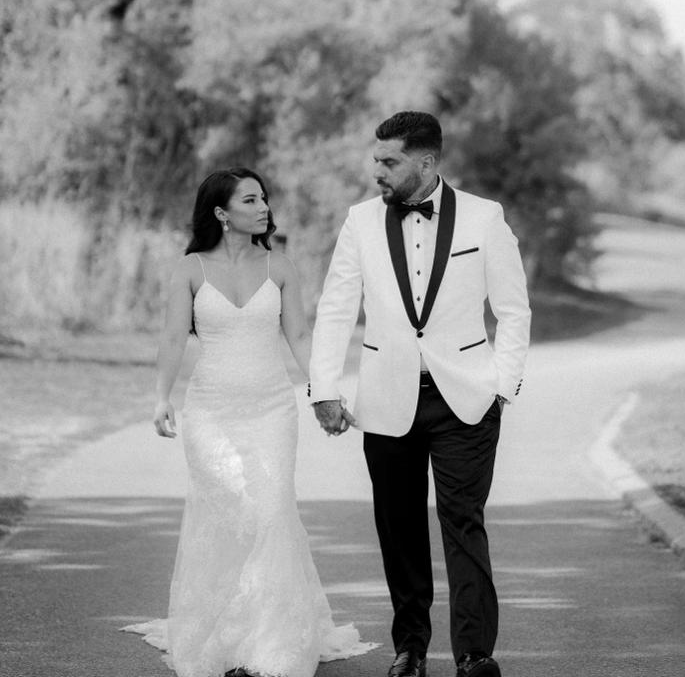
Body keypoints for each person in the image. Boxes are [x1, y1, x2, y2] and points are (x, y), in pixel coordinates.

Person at [123, 167, 375, 677]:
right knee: (228, 516)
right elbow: (172, 338)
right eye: (250, 200)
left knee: (272, 511)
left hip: (271, 410)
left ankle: (270, 642)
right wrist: (161, 397)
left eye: (263, 199)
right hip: (210, 412)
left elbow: (299, 337)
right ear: (221, 213)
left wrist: (324, 392)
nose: (263, 208)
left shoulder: (280, 266)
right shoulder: (190, 269)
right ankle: (225, 635)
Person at [309, 112, 531, 677]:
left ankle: (474, 654)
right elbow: (336, 308)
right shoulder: (359, 221)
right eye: (377, 160)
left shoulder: (484, 217)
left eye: (390, 161)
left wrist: (503, 386)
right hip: (387, 399)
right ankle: (410, 649)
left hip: (466, 400)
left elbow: (513, 309)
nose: (377, 171)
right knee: (399, 529)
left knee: (464, 524)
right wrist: (324, 388)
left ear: (426, 161)